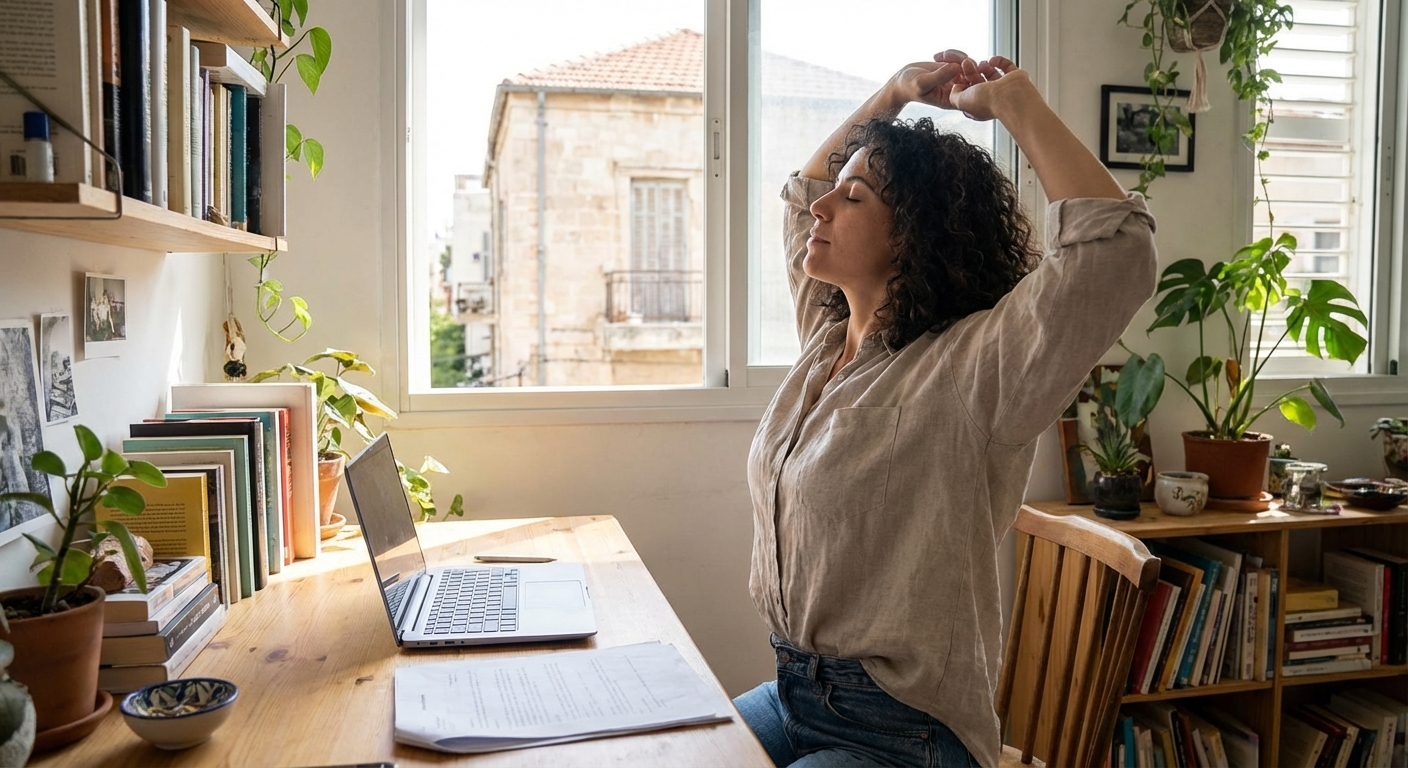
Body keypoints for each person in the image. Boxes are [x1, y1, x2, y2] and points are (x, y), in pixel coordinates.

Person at [733, 51, 1157, 767]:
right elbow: (801, 188)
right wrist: (892, 95)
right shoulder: (827, 339)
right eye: (834, 193)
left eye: (855, 197)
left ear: (913, 234)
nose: (821, 207)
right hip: (793, 691)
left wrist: (1016, 103)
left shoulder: (973, 369)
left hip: (904, 730)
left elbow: (1115, 254)